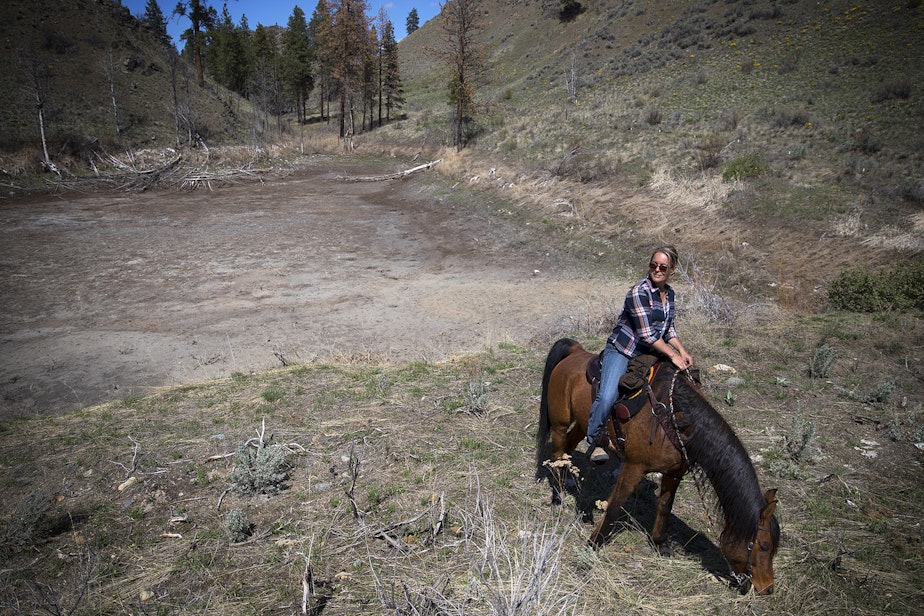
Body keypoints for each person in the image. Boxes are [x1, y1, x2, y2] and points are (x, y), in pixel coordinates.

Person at [583, 245, 694, 463]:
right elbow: (648, 335)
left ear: (672, 270)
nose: (657, 269)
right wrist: (673, 356)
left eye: (663, 266)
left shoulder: (669, 294)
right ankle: (595, 439)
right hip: (625, 350)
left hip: (651, 351)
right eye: (653, 265)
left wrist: (683, 351)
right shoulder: (639, 292)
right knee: (607, 396)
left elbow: (668, 328)